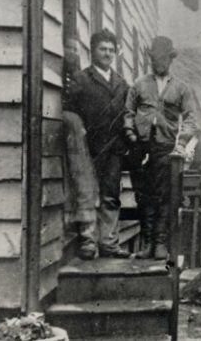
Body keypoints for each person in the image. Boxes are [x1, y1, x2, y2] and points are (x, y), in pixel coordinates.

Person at [126, 36, 197, 260]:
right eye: (156, 57)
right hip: (141, 146)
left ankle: (160, 243)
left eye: (164, 58)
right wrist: (130, 133)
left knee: (165, 195)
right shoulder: (139, 85)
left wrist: (182, 142)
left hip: (166, 147)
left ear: (170, 59)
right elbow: (128, 113)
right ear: (151, 59)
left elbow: (190, 118)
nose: (160, 62)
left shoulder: (181, 88)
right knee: (143, 195)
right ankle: (147, 243)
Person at [64, 29, 131, 259]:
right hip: (89, 147)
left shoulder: (122, 84)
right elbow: (70, 112)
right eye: (103, 49)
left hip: (114, 149)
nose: (107, 54)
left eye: (111, 50)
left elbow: (127, 116)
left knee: (111, 194)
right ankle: (88, 242)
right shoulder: (82, 80)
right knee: (88, 193)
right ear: (93, 51)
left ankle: (109, 242)